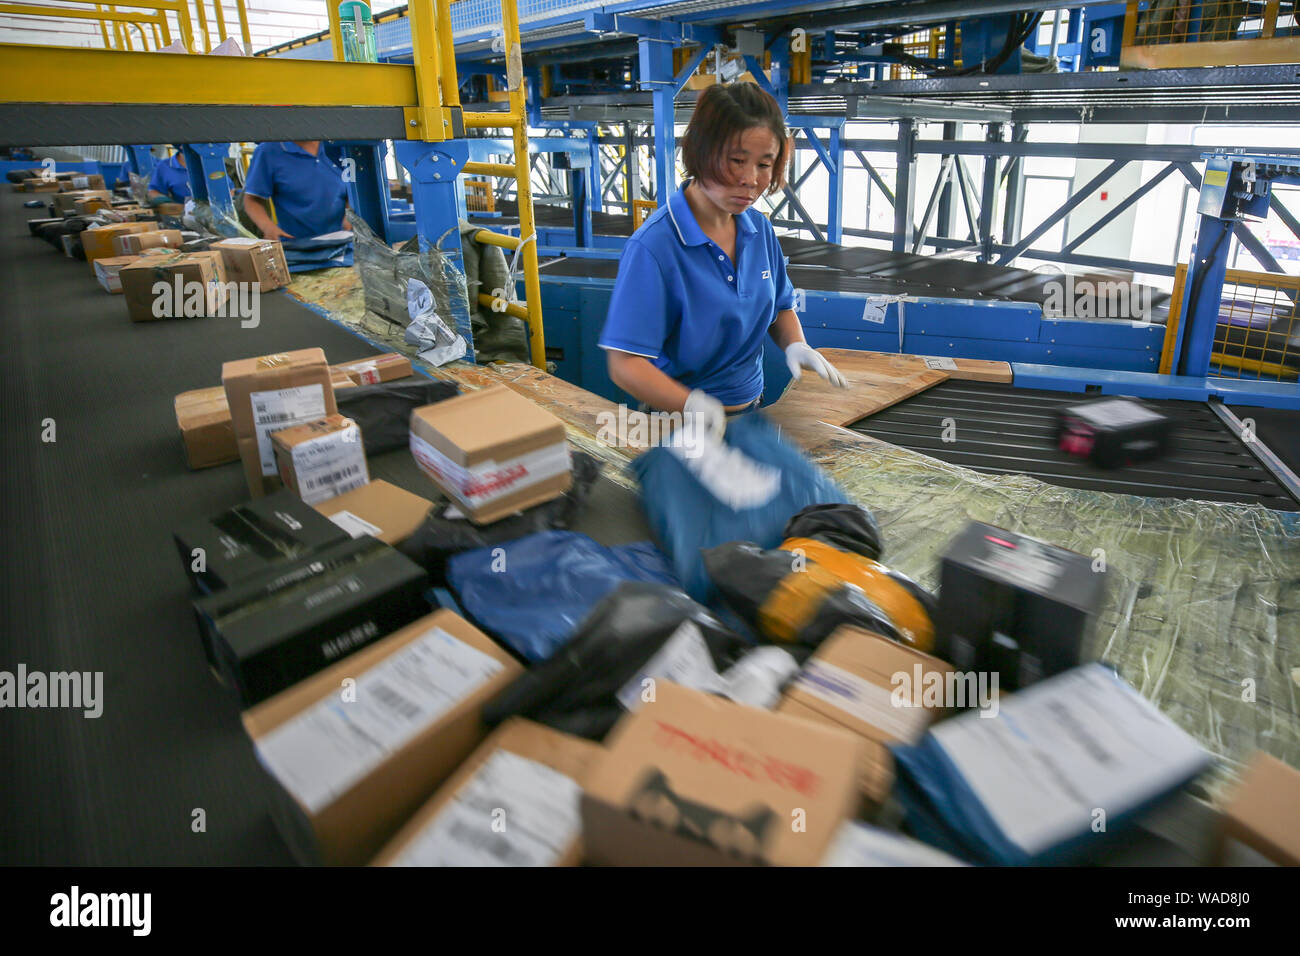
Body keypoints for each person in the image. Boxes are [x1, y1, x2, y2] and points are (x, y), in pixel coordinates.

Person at [598, 82, 847, 442]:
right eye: (736, 160)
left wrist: (795, 344)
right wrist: (693, 406)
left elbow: (778, 307)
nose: (751, 180)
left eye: (765, 164)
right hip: (679, 425)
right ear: (702, 151)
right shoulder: (655, 247)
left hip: (752, 409)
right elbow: (625, 364)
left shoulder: (759, 228)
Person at [241, 140, 350, 241]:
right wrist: (268, 227)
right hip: (296, 246)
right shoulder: (269, 151)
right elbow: (252, 200)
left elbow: (351, 189)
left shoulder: (341, 146)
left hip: (342, 243)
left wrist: (350, 217)